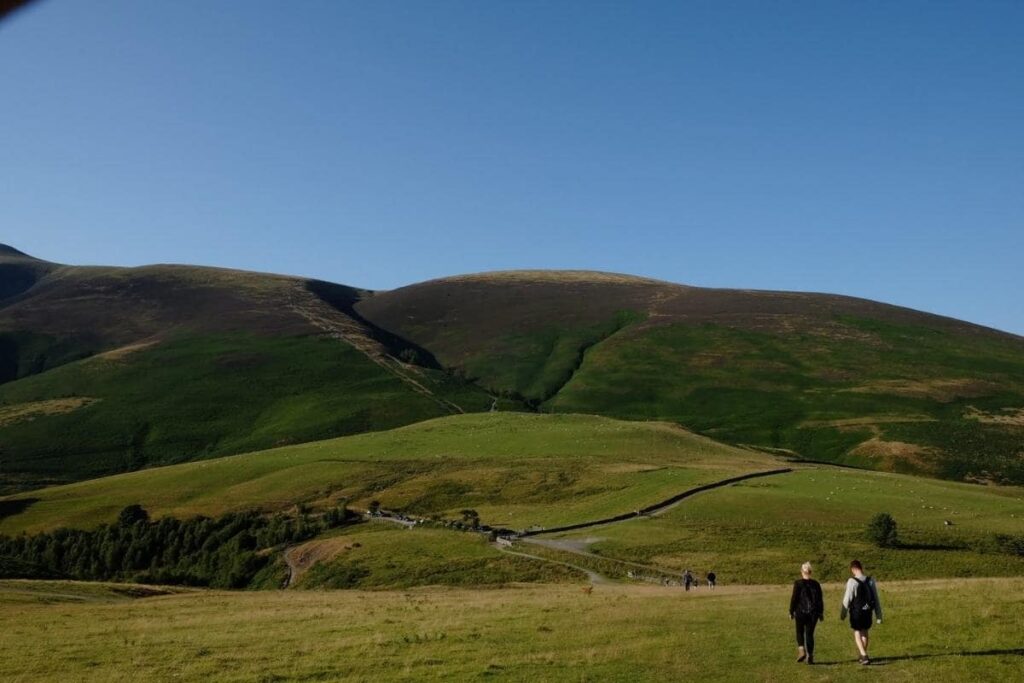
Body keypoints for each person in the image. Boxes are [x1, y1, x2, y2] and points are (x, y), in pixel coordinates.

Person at [840, 560, 883, 665]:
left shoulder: (852, 581)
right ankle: (862, 655)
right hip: (868, 611)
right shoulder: (870, 580)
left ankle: (864, 655)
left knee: (857, 632)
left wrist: (843, 613)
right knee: (865, 632)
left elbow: (847, 599)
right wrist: (879, 616)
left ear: (853, 569)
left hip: (856, 612)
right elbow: (876, 599)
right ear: (861, 568)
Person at [789, 561, 824, 664]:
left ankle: (801, 650)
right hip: (813, 613)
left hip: (800, 612)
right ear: (811, 572)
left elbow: (794, 598)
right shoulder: (816, 584)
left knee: (799, 631)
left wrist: (791, 611)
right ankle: (810, 656)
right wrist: (821, 612)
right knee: (809, 634)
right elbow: (820, 599)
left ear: (801, 572)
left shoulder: (798, 583)